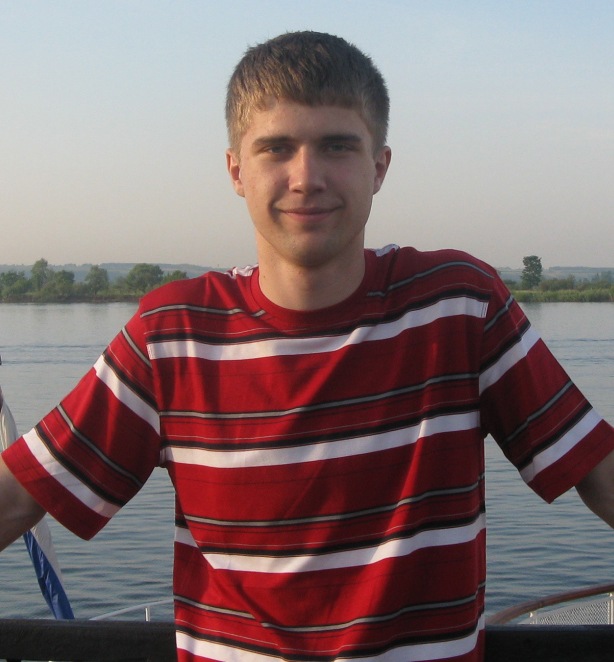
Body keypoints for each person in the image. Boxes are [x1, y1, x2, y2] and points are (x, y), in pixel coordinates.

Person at [1, 30, 614, 662]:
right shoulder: (173, 337)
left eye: (337, 146)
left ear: (379, 167)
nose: (307, 178)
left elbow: (598, 473)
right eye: (276, 148)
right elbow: (20, 495)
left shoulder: (459, 309)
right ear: (236, 171)